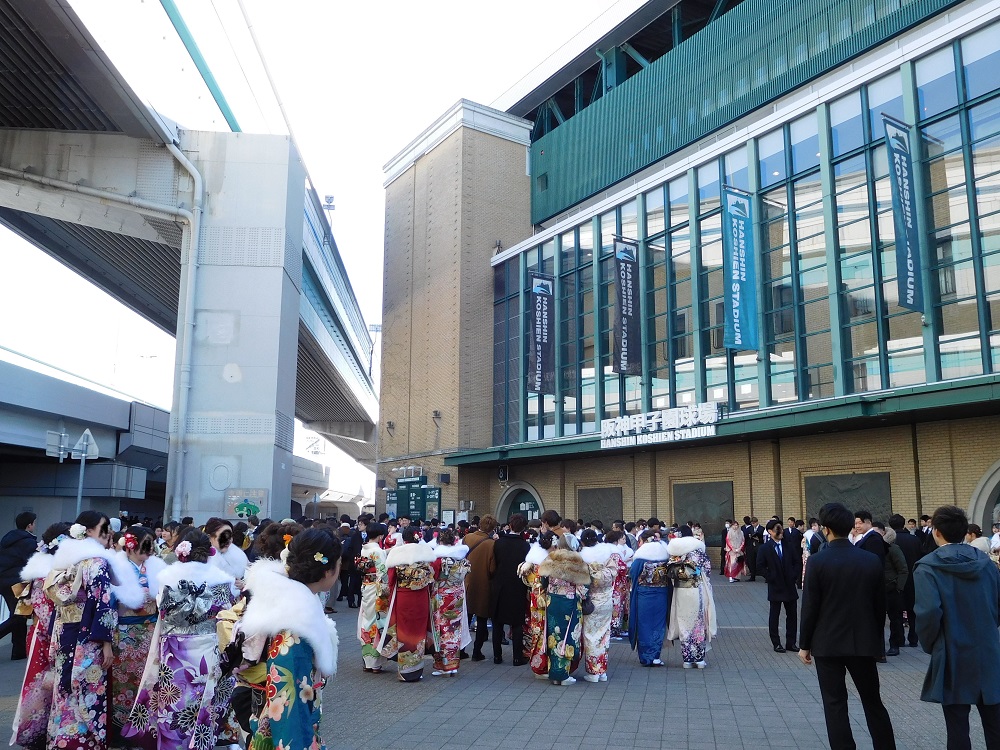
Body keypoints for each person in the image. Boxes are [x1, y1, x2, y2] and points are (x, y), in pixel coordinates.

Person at [122, 528, 238, 750]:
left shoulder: (168, 580)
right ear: (209, 553)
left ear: (182, 552)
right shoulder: (222, 582)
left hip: (174, 650)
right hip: (208, 650)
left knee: (174, 701)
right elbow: (227, 615)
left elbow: (162, 611)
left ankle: (171, 745)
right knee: (205, 702)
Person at [798, 502, 897, 750]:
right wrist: (878, 642)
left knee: (835, 705)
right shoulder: (871, 560)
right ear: (849, 528)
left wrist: (804, 645)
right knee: (873, 701)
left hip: (827, 643)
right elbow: (879, 607)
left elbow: (810, 607)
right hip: (864, 642)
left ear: (827, 529)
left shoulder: (818, 562)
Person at [240, 529, 341, 750]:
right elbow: (288, 703)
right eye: (338, 564)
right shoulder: (295, 628)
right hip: (290, 724)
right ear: (327, 571)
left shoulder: (295, 606)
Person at [46, 511, 139, 750]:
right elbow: (103, 602)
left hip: (65, 629)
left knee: (66, 683)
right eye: (104, 527)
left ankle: (61, 739)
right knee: (88, 687)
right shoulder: (97, 562)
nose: (108, 533)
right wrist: (106, 642)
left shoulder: (65, 558)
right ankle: (83, 742)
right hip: (88, 635)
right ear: (88, 531)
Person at [914, 504, 1000, 750]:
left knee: (957, 725)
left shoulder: (928, 567)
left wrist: (932, 644)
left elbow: (928, 612)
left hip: (952, 650)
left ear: (936, 531)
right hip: (988, 649)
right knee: (994, 720)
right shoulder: (985, 563)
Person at [11, 522, 69, 750]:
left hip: (48, 631)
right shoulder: (47, 570)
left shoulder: (50, 567)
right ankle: (35, 731)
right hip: (46, 633)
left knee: (51, 682)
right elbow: (43, 606)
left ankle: (49, 729)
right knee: (40, 683)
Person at [110, 526, 166, 746]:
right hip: (124, 634)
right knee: (123, 685)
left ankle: (144, 732)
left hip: (151, 632)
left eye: (151, 543)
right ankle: (119, 732)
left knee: (148, 683)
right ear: (130, 544)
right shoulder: (117, 567)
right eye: (145, 543)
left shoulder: (157, 567)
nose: (150, 548)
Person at [378, 527, 437, 681]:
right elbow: (432, 579)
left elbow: (390, 581)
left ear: (404, 539)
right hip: (421, 598)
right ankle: (416, 670)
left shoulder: (397, 554)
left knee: (404, 632)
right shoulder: (427, 553)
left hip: (404, 598)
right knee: (418, 633)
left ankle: (405, 671)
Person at [538, 547, 589, 686]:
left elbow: (543, 581)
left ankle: (555, 673)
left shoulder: (551, 558)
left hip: (553, 601)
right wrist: (582, 596)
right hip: (569, 602)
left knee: (553, 635)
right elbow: (583, 587)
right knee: (568, 635)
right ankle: (563, 674)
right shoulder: (577, 561)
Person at [665, 534, 716, 668]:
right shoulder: (699, 554)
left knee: (684, 623)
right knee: (698, 623)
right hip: (696, 590)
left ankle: (687, 659)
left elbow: (669, 571)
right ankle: (699, 659)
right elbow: (707, 571)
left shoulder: (676, 555)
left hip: (680, 591)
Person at [579, 530, 621, 682]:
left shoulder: (583, 558)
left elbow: (583, 581)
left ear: (582, 542)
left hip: (592, 601)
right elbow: (613, 574)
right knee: (604, 635)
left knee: (591, 636)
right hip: (607, 598)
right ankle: (602, 671)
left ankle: (594, 672)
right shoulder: (607, 555)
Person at [429, 528, 472, 676]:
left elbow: (431, 577)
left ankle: (443, 666)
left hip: (441, 596)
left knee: (441, 630)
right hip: (457, 595)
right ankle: (453, 664)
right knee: (454, 629)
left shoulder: (438, 558)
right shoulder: (461, 558)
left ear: (439, 541)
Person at [489, 514, 530, 665]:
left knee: (497, 621)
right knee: (517, 622)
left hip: (499, 584)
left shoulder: (499, 543)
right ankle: (517, 657)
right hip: (517, 585)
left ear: (510, 526)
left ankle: (497, 656)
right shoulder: (525, 546)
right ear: (523, 528)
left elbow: (495, 563)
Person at [628, 531, 671, 667]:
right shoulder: (664, 558)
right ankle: (655, 656)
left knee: (643, 624)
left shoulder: (640, 559)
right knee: (658, 624)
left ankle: (645, 656)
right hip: (661, 593)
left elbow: (633, 574)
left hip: (644, 594)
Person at [0, 511, 37, 660]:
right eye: (34, 523)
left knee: (17, 615)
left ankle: (19, 651)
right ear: (29, 525)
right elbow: (32, 561)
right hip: (17, 582)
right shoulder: (28, 542)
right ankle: (18, 650)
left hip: (3, 581)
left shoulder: (7, 539)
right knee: (19, 615)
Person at [757, 518, 798, 652]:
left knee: (792, 616)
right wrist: (770, 577)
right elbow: (760, 566)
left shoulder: (788, 545)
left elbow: (797, 562)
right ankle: (776, 643)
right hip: (776, 586)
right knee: (774, 615)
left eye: (781, 529)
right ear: (770, 532)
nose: (781, 532)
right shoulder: (765, 548)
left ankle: (791, 643)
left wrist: (794, 576)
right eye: (777, 529)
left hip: (789, 586)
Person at [462, 514, 497, 660]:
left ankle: (461, 649)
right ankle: (477, 651)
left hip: (467, 582)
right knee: (482, 619)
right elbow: (492, 568)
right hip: (483, 584)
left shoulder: (467, 538)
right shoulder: (491, 544)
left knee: (465, 618)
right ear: (492, 529)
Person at [517, 533, 552, 679]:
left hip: (535, 597)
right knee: (548, 631)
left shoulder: (532, 561)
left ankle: (538, 665)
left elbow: (525, 577)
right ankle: (545, 665)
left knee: (537, 630)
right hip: (547, 598)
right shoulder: (550, 561)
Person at [357, 523, 390, 673]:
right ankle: (375, 662)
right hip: (376, 588)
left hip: (366, 586)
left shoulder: (364, 548)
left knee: (366, 621)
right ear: (381, 536)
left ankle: (367, 660)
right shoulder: (377, 551)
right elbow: (382, 572)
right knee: (377, 621)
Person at [876, 524, 908, 657]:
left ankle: (895, 644)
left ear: (883, 532)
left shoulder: (893, 549)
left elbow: (903, 569)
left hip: (891, 588)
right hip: (878, 588)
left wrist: (898, 587)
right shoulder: (873, 547)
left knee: (894, 618)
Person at [206, 517, 248, 595]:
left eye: (230, 536)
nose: (229, 540)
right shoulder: (200, 560)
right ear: (210, 537)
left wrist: (243, 586)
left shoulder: (239, 557)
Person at [603, 530, 632, 640]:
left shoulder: (604, 550)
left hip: (608, 582)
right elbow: (621, 567)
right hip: (617, 583)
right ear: (616, 540)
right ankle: (614, 630)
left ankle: (614, 629)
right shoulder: (615, 552)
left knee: (614, 605)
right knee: (617, 605)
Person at [745, 517, 764, 581]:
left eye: (754, 523)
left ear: (757, 522)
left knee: (760, 560)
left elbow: (764, 538)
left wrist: (759, 539)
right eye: (752, 523)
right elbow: (746, 537)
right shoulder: (750, 528)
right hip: (751, 546)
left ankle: (764, 575)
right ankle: (752, 576)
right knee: (751, 561)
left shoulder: (762, 529)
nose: (753, 524)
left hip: (759, 546)